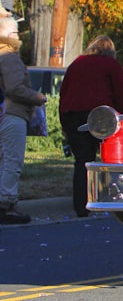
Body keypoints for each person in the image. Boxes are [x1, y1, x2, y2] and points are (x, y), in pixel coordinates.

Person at [58, 35, 123, 218]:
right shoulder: (111, 65)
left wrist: (64, 123)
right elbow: (120, 95)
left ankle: (81, 206)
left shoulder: (77, 63)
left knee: (82, 161)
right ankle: (111, 198)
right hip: (102, 115)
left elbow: (64, 92)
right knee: (110, 158)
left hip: (73, 114)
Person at [0, 16, 46, 224]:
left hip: (4, 113)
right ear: (10, 35)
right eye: (17, 33)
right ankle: (7, 204)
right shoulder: (9, 56)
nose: (19, 37)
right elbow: (15, 88)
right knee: (12, 160)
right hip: (13, 114)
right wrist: (38, 98)